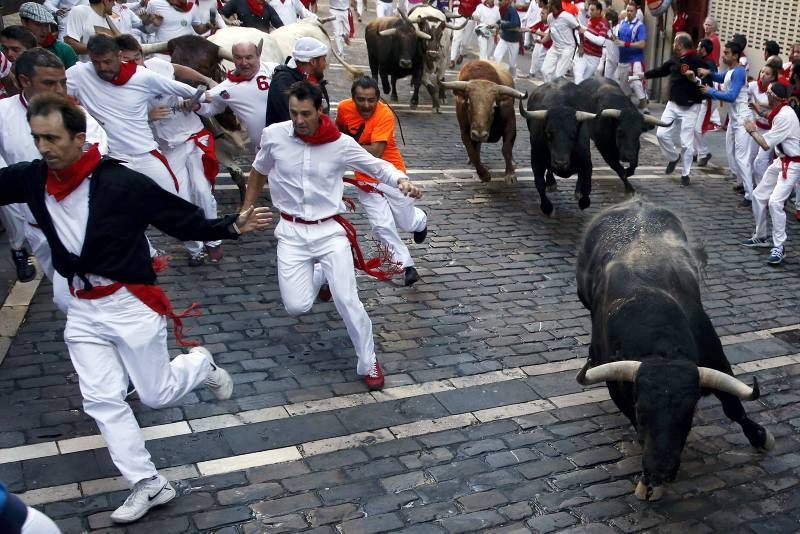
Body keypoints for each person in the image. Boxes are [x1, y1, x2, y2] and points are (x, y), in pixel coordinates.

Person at [0, 94, 270, 523]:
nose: (44, 148)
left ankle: (200, 364)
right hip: (82, 308)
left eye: (53, 138)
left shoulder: (120, 183)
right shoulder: (32, 179)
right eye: (37, 139)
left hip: (129, 302)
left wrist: (230, 226)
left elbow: (179, 218)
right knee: (102, 399)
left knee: (156, 394)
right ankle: (148, 482)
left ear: (81, 138)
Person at [243, 80, 422, 390]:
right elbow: (259, 170)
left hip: (329, 232)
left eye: (306, 114)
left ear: (320, 111)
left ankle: (368, 361)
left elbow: (377, 166)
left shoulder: (340, 143)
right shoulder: (273, 136)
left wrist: (401, 180)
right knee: (296, 306)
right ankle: (318, 276)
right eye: (294, 113)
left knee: (348, 301)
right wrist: (247, 206)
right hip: (291, 232)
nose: (299, 121)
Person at [0, 48, 107, 303]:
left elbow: (95, 151)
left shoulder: (76, 114)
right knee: (66, 295)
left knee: (77, 296)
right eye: (50, 83)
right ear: (25, 81)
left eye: (63, 82)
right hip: (35, 224)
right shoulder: (3, 113)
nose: (60, 90)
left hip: (79, 223)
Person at [116, 35, 224, 266]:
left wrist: (199, 91)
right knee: (179, 198)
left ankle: (213, 240)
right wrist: (147, 117)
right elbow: (120, 123)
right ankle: (195, 248)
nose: (136, 64)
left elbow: (179, 70)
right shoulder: (119, 88)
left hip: (192, 137)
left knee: (203, 192)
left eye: (138, 58)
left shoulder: (157, 66)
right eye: (128, 61)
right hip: (166, 147)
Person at [67, 35, 199, 194]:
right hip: (114, 158)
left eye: (107, 61)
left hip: (147, 152)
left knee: (172, 200)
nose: (102, 67)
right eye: (96, 62)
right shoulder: (79, 74)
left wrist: (206, 92)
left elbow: (175, 84)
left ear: (118, 56)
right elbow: (56, 91)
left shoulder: (144, 74)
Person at [335, 76, 427, 286]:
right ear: (352, 98)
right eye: (360, 99)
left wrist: (346, 151)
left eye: (371, 100)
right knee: (381, 225)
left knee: (406, 222)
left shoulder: (385, 113)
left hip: (391, 175)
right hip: (365, 180)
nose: (366, 105)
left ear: (378, 98)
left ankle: (420, 220)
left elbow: (376, 151)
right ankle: (406, 266)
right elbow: (337, 132)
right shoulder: (343, 108)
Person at [633, 33, 706, 187]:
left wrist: (696, 80)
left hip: (691, 107)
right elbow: (661, 71)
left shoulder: (698, 61)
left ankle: (685, 174)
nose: (673, 45)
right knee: (661, 134)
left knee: (686, 143)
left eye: (674, 42)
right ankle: (673, 157)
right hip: (673, 105)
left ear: (679, 44)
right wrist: (643, 75)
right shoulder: (674, 60)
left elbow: (707, 82)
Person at [741, 83, 800, 266]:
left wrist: (751, 130)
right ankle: (761, 236)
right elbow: (769, 114)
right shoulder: (781, 110)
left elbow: (765, 144)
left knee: (775, 202)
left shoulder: (784, 116)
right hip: (781, 161)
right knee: (758, 195)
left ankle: (779, 246)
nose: (765, 95)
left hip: (792, 165)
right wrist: (759, 110)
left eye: (767, 93)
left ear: (773, 96)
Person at [699, 41, 753, 207]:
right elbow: (720, 77)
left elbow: (731, 96)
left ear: (736, 56)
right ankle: (742, 183)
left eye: (727, 53)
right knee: (732, 153)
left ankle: (750, 195)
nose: (724, 55)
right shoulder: (732, 71)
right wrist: (707, 72)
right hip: (735, 119)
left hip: (743, 119)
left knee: (742, 158)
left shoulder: (738, 72)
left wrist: (711, 91)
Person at [203, 41, 278, 151]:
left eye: (249, 57)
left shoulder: (275, 70)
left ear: (258, 56)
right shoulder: (225, 88)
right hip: (262, 149)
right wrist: (195, 106)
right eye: (238, 58)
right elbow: (209, 107)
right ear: (233, 58)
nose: (244, 63)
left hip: (290, 142)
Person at [265, 37, 330, 127]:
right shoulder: (283, 81)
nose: (325, 64)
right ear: (313, 62)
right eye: (323, 59)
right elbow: (290, 118)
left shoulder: (314, 79)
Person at [19, 2, 78, 69]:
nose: (44, 30)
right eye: (38, 24)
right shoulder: (14, 48)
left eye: (47, 25)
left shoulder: (63, 50)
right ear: (24, 22)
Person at [615, 1, 646, 110]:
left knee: (635, 82)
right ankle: (627, 108)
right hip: (622, 59)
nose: (629, 13)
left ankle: (644, 107)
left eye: (631, 11)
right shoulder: (622, 24)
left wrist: (626, 44)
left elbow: (642, 44)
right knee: (623, 88)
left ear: (636, 12)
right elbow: (617, 39)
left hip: (635, 60)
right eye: (628, 10)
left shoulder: (640, 26)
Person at [537, 0, 578, 82]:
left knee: (558, 76)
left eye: (549, 5)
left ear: (554, 7)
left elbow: (580, 30)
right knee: (545, 70)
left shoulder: (567, 17)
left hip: (567, 49)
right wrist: (542, 41)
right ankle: (550, 88)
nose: (547, 6)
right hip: (555, 47)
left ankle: (555, 90)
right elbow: (550, 32)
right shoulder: (550, 17)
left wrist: (581, 47)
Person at [142, 0, 217, 44]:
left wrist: (207, 26)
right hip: (163, 52)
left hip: (187, 50)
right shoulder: (154, 3)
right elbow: (148, 30)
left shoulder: (191, 6)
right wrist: (149, 22)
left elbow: (199, 29)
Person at [693, 37, 717, 169]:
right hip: (700, 99)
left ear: (703, 49)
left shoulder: (710, 63)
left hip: (706, 99)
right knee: (694, 127)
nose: (697, 48)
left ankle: (704, 152)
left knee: (698, 128)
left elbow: (712, 77)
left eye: (699, 46)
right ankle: (696, 152)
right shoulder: (701, 60)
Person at [574, 1, 607, 84]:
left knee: (585, 80)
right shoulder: (589, 20)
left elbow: (600, 41)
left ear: (599, 11)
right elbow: (581, 33)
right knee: (578, 75)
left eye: (592, 10)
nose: (590, 12)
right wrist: (581, 46)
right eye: (589, 10)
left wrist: (585, 32)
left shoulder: (603, 23)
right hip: (583, 53)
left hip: (594, 57)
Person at [492, 0, 521, 76]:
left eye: (501, 0)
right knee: (496, 57)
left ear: (506, 1)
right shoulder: (499, 10)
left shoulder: (512, 10)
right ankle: (495, 76)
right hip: (504, 38)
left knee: (512, 64)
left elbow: (515, 23)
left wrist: (502, 26)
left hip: (514, 40)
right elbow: (498, 21)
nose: (499, 2)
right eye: (499, 0)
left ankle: (513, 79)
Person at [449, 0, 480, 69]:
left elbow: (480, 8)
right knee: (456, 38)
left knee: (465, 43)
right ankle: (452, 60)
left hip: (471, 20)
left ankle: (462, 54)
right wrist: (450, 9)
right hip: (460, 17)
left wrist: (478, 21)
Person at [524, 2, 550, 78]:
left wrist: (534, 31)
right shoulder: (541, 22)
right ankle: (532, 72)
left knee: (546, 68)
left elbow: (545, 35)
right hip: (544, 44)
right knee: (536, 57)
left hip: (552, 48)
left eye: (543, 13)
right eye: (541, 13)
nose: (541, 15)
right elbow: (531, 28)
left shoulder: (552, 23)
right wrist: (521, 29)